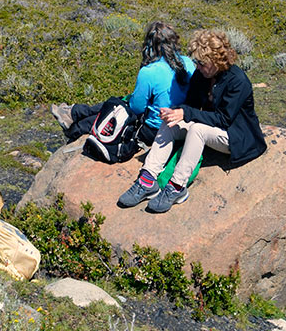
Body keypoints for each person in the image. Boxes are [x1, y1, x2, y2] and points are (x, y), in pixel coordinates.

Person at [118, 27, 266, 213]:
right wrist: (175, 112)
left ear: (216, 60)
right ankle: (147, 180)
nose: (198, 67)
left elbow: (224, 119)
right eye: (197, 62)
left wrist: (186, 113)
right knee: (171, 121)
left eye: (202, 63)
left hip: (236, 136)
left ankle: (177, 187)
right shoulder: (202, 75)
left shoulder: (238, 81)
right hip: (213, 126)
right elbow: (192, 105)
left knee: (197, 130)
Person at [53, 20, 195, 145]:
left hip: (154, 129)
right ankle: (73, 114)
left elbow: (136, 108)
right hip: (183, 122)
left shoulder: (149, 71)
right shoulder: (188, 63)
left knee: (114, 108)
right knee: (118, 104)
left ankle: (73, 125)